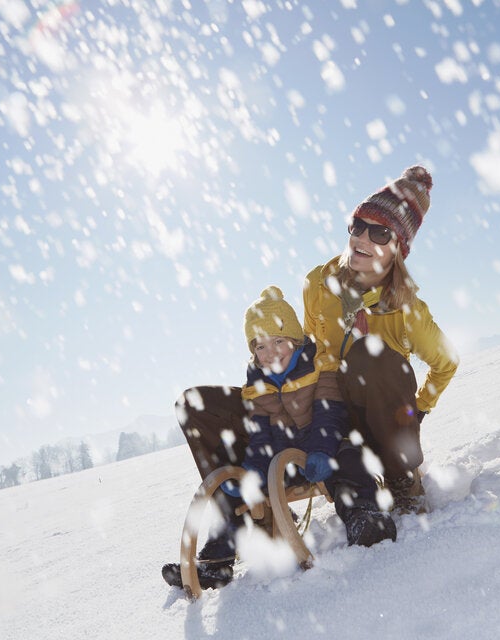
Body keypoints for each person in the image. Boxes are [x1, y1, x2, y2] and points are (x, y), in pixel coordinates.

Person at [162, 286, 395, 592]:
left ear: (296, 340)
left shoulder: (319, 365)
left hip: (326, 444)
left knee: (348, 459)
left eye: (278, 341)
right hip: (284, 461)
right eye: (259, 347)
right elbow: (260, 439)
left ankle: (362, 515)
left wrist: (320, 451)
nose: (270, 353)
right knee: (236, 494)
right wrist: (253, 474)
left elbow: (330, 414)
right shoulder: (258, 386)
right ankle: (215, 562)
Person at [301, 164, 459, 514]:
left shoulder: (408, 309)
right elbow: (312, 346)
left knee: (370, 356)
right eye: (358, 226)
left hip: (383, 414)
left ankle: (401, 476)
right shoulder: (317, 283)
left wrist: (418, 410)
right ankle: (247, 517)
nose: (361, 238)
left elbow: (446, 362)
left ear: (399, 249)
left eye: (380, 234)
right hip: (331, 412)